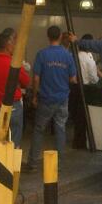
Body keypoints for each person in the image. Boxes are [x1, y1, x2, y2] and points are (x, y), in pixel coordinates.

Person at [26, 26, 77, 171]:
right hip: (62, 98)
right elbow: (73, 79)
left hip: (46, 98)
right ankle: (59, 164)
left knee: (39, 129)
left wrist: (35, 96)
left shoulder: (42, 54)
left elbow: (36, 78)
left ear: (48, 37)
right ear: (61, 36)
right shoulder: (67, 55)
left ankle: (33, 163)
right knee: (60, 128)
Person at [0, 30, 30, 148]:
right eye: (13, 43)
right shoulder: (14, 63)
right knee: (13, 144)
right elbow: (27, 82)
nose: (14, 46)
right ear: (8, 46)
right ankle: (11, 166)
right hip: (12, 109)